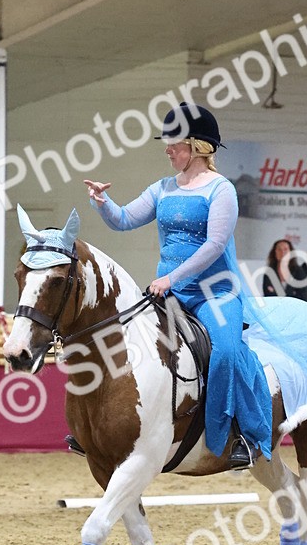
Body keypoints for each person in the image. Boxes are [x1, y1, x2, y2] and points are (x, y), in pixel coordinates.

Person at [84, 103, 271, 470]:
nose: (167, 150)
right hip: (168, 293)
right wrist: (103, 203)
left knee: (228, 353)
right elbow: (124, 220)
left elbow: (214, 245)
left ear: (198, 147)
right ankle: (99, 427)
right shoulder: (163, 188)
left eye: (174, 144)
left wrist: (172, 278)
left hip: (215, 293)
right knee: (119, 343)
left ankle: (243, 436)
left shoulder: (222, 191)